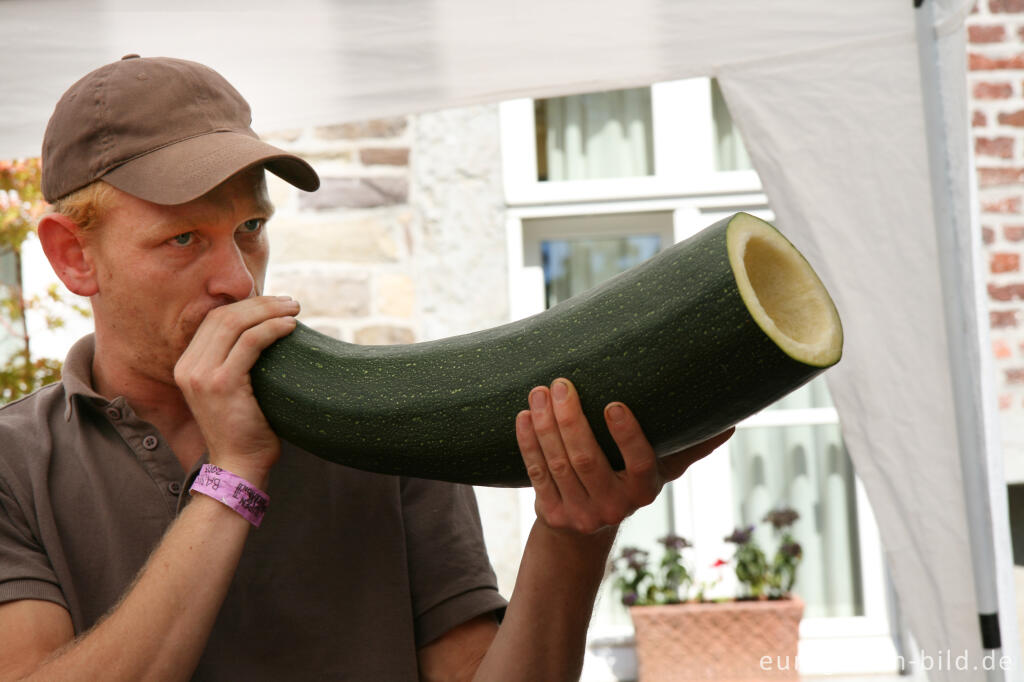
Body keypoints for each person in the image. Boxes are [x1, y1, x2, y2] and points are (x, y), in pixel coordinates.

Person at [0, 55, 732, 681]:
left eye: (251, 229)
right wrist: (235, 474)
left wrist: (573, 534)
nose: (236, 280)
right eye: (184, 238)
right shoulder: (13, 464)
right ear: (74, 255)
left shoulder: (385, 425)